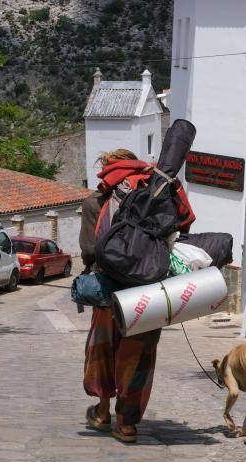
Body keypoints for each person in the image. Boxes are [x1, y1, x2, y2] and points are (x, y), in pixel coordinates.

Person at [80, 148, 195, 443]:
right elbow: (184, 225)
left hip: (108, 290)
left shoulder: (97, 200)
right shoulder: (157, 191)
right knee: (137, 356)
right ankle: (127, 424)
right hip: (149, 290)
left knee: (104, 350)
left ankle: (104, 411)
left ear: (108, 169)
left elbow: (91, 249)